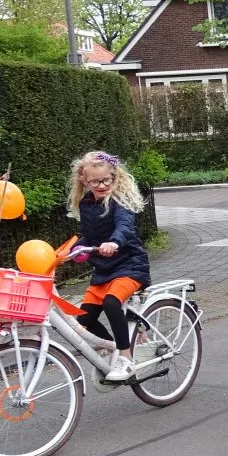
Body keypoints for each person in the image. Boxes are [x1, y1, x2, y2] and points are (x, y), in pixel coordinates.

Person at [68, 151, 151, 383]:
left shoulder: (119, 201)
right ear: (85, 181)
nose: (102, 185)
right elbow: (88, 236)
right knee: (83, 319)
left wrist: (114, 242)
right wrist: (74, 250)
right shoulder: (86, 204)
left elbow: (123, 226)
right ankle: (112, 348)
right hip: (103, 270)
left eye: (107, 180)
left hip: (130, 265)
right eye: (95, 181)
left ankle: (126, 358)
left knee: (112, 302)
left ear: (115, 177)